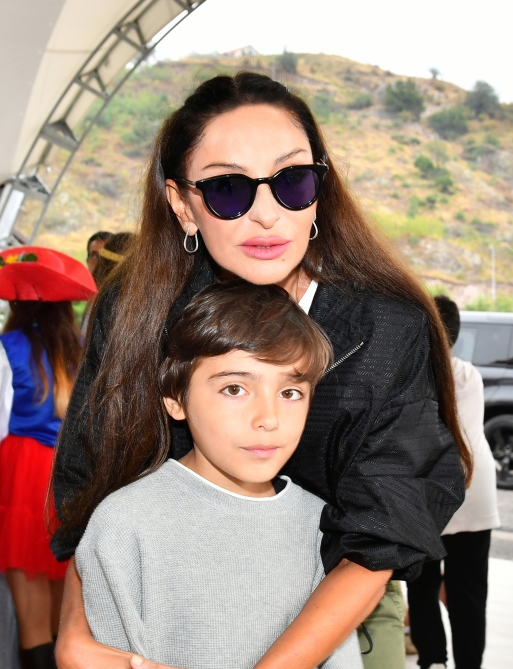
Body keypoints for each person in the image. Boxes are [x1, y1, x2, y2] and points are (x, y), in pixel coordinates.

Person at [53, 73, 470, 669]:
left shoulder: (384, 329)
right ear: (182, 204)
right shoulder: (138, 309)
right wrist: (75, 637)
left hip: (327, 614)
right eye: (228, 189)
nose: (267, 215)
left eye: (292, 181)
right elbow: (96, 479)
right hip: (159, 610)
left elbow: (384, 530)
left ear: (320, 189)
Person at [75, 280, 363, 669]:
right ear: (176, 398)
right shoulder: (125, 522)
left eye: (290, 393)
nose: (268, 419)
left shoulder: (320, 523)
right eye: (234, 389)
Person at [0, 247, 96, 669]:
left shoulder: (8, 347)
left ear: (18, 304)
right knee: (61, 624)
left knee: (30, 623)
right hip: (67, 476)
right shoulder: (82, 349)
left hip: (20, 475)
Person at [407, 295, 500, 669]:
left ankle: (433, 661)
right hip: (474, 494)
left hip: (429, 497)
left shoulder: (410, 376)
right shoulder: (467, 374)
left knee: (423, 586)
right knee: (469, 594)